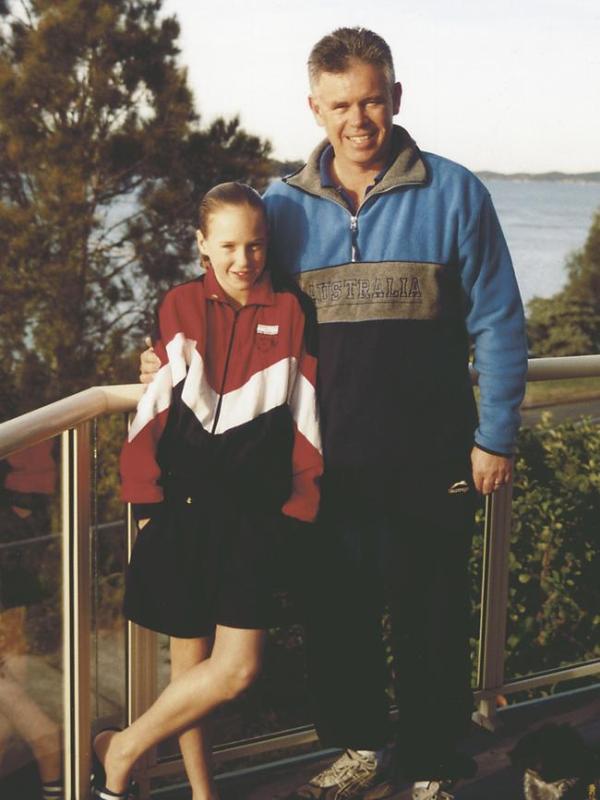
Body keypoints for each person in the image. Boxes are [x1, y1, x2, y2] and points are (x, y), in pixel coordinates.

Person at [141, 28, 528, 800]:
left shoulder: (455, 193)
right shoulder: (281, 208)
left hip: (432, 453)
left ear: (396, 98)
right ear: (315, 108)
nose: (359, 119)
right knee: (336, 614)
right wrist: (166, 357)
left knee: (430, 615)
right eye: (341, 104)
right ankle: (360, 743)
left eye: (373, 100)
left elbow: (499, 321)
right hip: (316, 460)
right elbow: (234, 301)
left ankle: (430, 763)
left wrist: (495, 435)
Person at [94, 182, 322, 800]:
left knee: (237, 669)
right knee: (189, 671)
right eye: (228, 245)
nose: (243, 259)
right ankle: (203, 794)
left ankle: (120, 748)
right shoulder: (178, 307)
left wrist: (302, 504)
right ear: (202, 245)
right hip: (182, 508)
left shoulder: (292, 313)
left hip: (255, 517)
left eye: (254, 245)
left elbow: (306, 417)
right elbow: (155, 411)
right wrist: (144, 505)